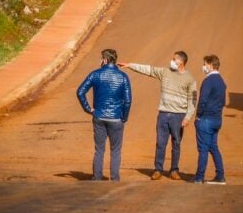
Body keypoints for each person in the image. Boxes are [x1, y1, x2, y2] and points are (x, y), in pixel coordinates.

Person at [119, 51, 197, 181]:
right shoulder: (164, 72)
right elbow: (148, 70)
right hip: (163, 114)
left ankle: (174, 170)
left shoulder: (190, 79)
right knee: (160, 143)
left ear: (181, 62)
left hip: (179, 116)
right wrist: (130, 65)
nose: (171, 61)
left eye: (174, 59)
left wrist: (188, 117)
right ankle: (158, 169)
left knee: (176, 143)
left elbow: (192, 100)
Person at [76, 49, 132, 182]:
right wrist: (124, 117)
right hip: (116, 118)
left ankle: (97, 177)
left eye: (101, 58)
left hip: (99, 116)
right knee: (116, 150)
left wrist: (89, 109)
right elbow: (128, 100)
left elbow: (80, 92)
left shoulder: (95, 74)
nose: (100, 61)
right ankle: (114, 178)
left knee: (99, 149)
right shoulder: (123, 76)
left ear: (105, 60)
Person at [193, 55, 227, 185]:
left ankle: (199, 177)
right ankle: (220, 176)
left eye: (205, 64)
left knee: (203, 149)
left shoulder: (208, 81)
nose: (204, 66)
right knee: (213, 147)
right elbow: (223, 102)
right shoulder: (221, 81)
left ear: (211, 65)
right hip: (217, 119)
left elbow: (203, 100)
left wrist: (198, 115)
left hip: (205, 119)